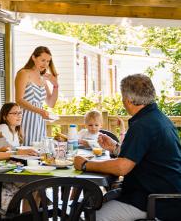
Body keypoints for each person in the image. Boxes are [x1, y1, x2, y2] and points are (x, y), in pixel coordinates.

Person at [74, 74, 181, 221]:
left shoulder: (143, 125)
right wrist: (116, 148)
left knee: (89, 217)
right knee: (95, 201)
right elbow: (144, 156)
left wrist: (85, 164)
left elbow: (122, 168)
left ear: (128, 100)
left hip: (155, 202)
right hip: (161, 195)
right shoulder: (158, 118)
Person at [15, 46, 59, 145]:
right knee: (26, 151)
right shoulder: (23, 73)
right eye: (43, 60)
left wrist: (56, 85)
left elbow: (51, 103)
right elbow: (19, 100)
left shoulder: (42, 78)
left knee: (38, 151)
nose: (45, 64)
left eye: (48, 61)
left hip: (39, 122)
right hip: (25, 119)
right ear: (33, 57)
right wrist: (40, 111)